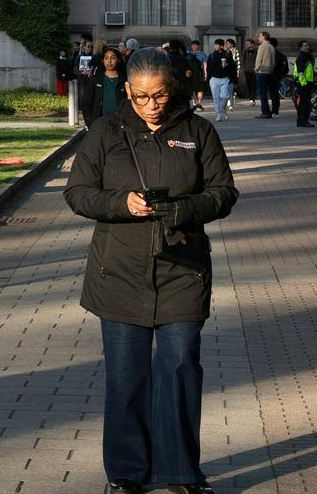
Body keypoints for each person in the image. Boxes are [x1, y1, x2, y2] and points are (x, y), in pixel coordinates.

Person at [64, 47, 237, 494]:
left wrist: (184, 209)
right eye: (140, 97)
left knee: (180, 366)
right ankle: (127, 473)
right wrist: (119, 202)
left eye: (158, 96)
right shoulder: (105, 132)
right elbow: (78, 193)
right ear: (127, 91)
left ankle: (181, 471)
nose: (150, 106)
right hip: (119, 271)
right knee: (127, 376)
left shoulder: (198, 131)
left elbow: (223, 192)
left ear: (172, 89)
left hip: (182, 269)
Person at [83, 46, 127, 126]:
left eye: (113, 58)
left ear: (118, 60)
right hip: (99, 124)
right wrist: (89, 122)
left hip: (119, 124)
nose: (109, 61)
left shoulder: (124, 81)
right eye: (106, 58)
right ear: (103, 61)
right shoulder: (95, 79)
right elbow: (86, 102)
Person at [205, 39, 236, 122]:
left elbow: (233, 65)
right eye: (215, 45)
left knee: (225, 96)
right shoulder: (211, 55)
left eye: (217, 45)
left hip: (225, 79)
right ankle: (218, 114)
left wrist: (227, 64)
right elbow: (208, 69)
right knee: (216, 98)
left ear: (221, 46)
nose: (215, 46)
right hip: (214, 79)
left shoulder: (227, 54)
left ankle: (224, 110)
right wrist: (209, 79)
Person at [253, 33, 281, 118]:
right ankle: (271, 111)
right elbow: (273, 61)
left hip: (261, 71)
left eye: (260, 36)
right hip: (269, 72)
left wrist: (256, 68)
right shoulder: (271, 47)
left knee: (262, 93)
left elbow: (259, 59)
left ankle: (265, 112)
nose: (258, 38)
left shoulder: (262, 47)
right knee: (269, 92)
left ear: (263, 37)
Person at [291, 41, 317, 128]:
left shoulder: (307, 58)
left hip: (307, 83)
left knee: (306, 103)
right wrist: (304, 83)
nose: (307, 47)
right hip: (303, 84)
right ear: (301, 48)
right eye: (305, 46)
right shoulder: (301, 58)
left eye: (308, 45)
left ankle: (303, 120)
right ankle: (302, 121)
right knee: (304, 104)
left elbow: (309, 71)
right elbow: (300, 72)